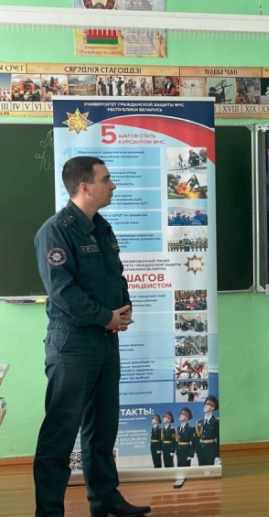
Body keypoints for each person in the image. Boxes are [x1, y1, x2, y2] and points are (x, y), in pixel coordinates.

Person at [33, 156, 149, 517]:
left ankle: (105, 500)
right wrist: (105, 317)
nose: (113, 186)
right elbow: (63, 291)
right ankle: (49, 511)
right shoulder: (56, 231)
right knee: (60, 431)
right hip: (73, 343)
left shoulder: (102, 227)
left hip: (105, 339)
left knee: (102, 427)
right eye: (106, 179)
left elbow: (116, 276)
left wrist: (122, 311)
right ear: (85, 187)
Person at [196, 395, 219, 466]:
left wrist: (218, 455)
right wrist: (197, 450)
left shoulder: (216, 422)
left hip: (211, 449)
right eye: (205, 404)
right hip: (201, 450)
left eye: (208, 405)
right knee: (201, 469)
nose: (205, 406)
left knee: (209, 469)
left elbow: (218, 439)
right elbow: (197, 438)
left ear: (213, 408)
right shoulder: (199, 422)